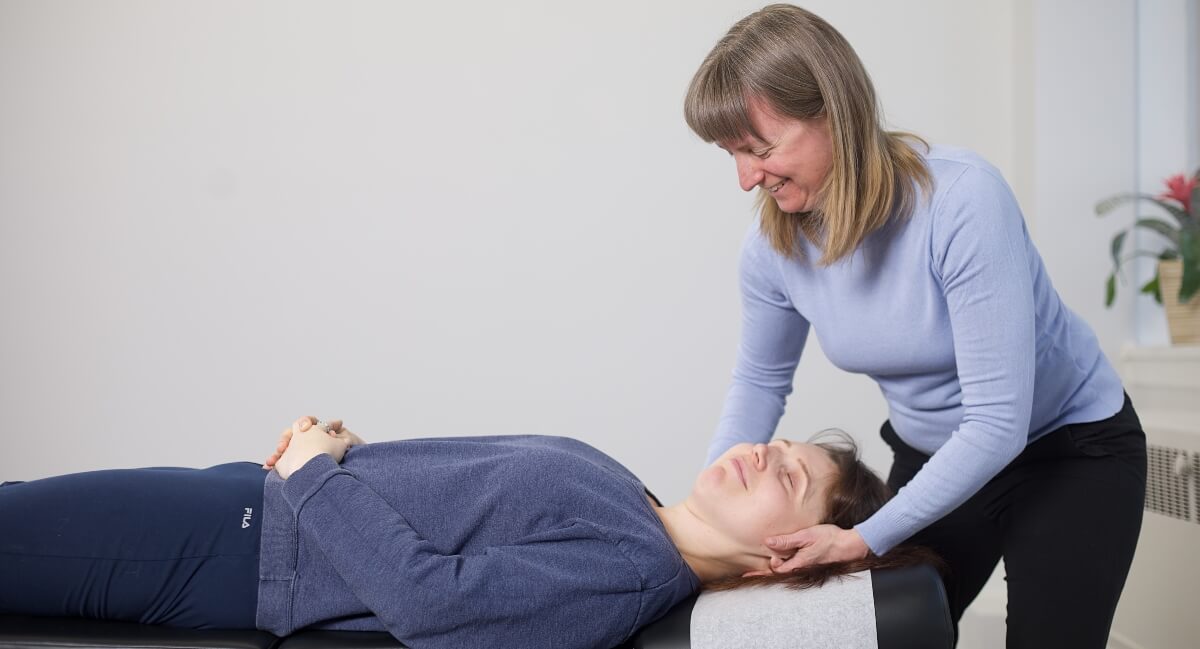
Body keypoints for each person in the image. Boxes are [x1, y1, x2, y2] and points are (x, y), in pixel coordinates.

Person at [684, 5, 1147, 648]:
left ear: (834, 115)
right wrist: (703, 518)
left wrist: (865, 536)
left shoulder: (962, 201)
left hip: (1067, 450)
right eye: (732, 154)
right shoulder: (772, 249)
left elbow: (996, 422)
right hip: (933, 454)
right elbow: (761, 381)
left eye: (759, 149)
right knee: (874, 633)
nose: (745, 179)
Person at [1, 416, 918, 649]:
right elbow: (451, 505)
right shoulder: (628, 501)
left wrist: (317, 474)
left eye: (790, 476)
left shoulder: (630, 573)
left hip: (239, 548)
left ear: (782, 555)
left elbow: (428, 602)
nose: (763, 452)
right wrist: (347, 452)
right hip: (248, 509)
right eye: (779, 442)